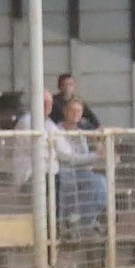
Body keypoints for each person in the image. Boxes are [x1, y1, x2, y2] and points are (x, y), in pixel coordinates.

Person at [53, 95, 107, 233]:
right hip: (64, 172)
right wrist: (97, 156)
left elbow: (85, 159)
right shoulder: (57, 131)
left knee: (101, 185)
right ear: (65, 112)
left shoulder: (82, 131)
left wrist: (97, 144)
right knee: (99, 183)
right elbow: (70, 158)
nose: (76, 114)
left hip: (82, 172)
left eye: (79, 111)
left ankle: (82, 221)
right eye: (73, 110)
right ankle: (84, 223)